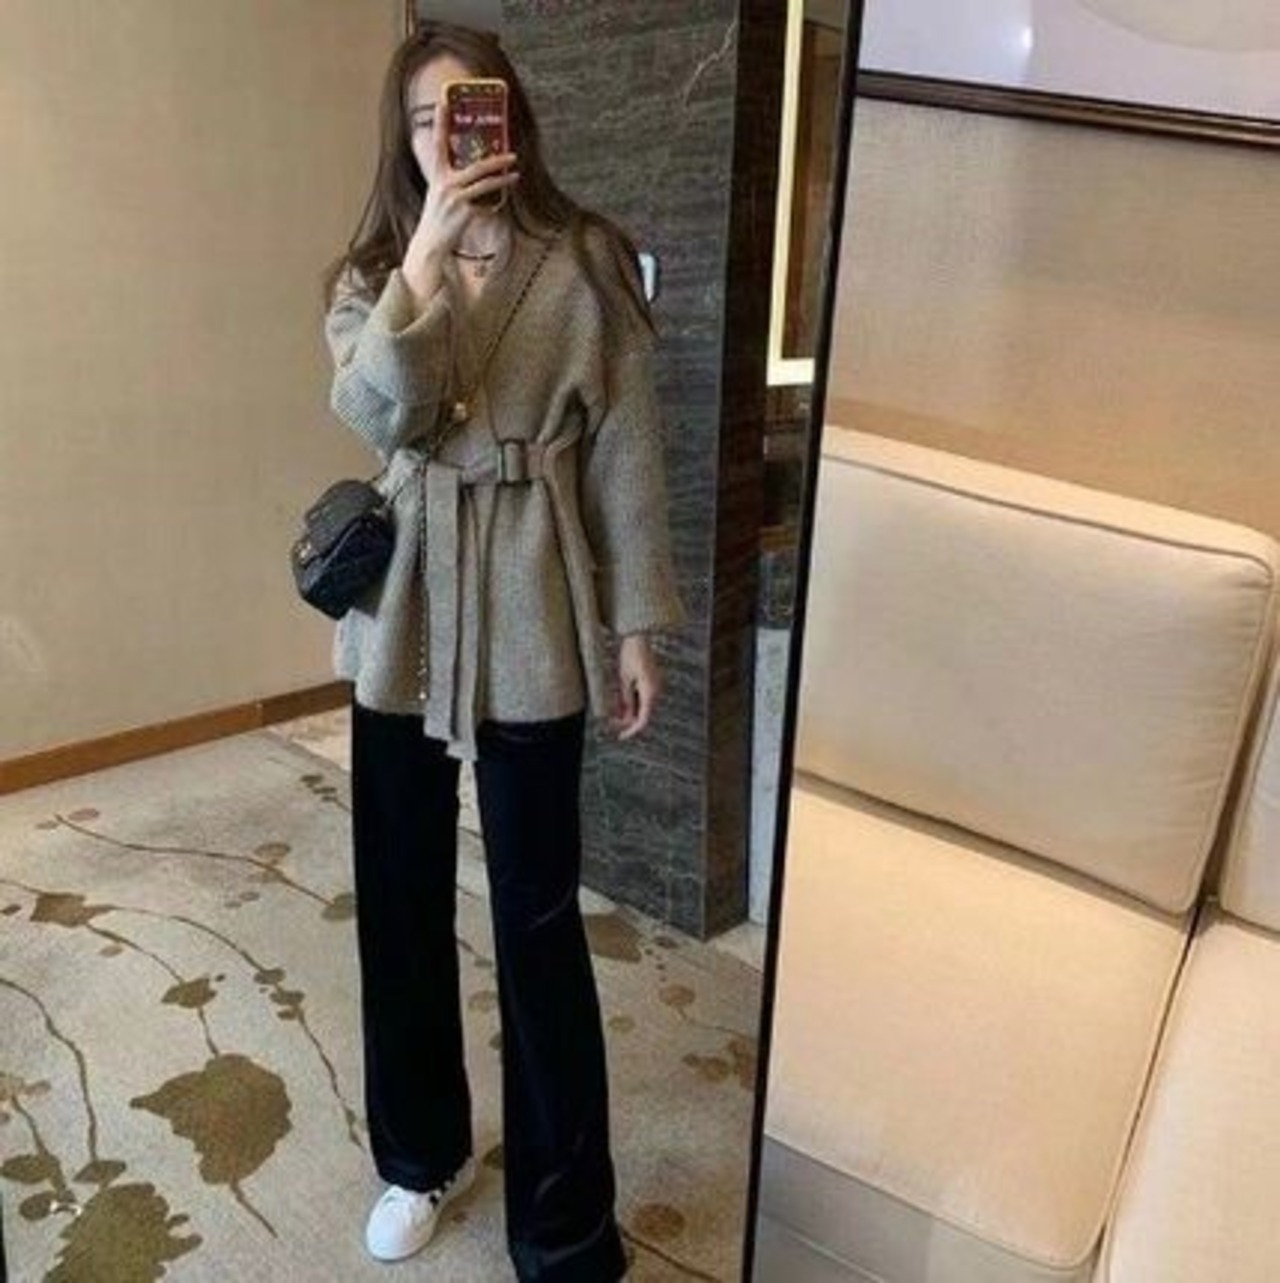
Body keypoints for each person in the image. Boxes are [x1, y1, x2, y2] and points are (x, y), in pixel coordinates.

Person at [318, 19, 688, 1283]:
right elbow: (379, 414)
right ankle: (420, 1154)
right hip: (406, 611)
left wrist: (633, 622)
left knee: (536, 914)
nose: (448, 137)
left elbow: (625, 451)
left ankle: (564, 1223)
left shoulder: (584, 259)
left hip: (533, 591)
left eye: (466, 111)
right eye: (423, 121)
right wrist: (425, 257)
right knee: (400, 898)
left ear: (510, 116)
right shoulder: (371, 274)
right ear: (403, 140)